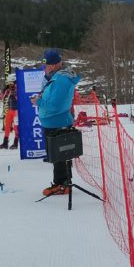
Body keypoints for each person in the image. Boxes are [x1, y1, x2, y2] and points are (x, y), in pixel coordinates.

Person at [32, 50, 80, 197]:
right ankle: (64, 183)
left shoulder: (60, 80)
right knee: (60, 156)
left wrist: (38, 102)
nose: (44, 69)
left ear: (52, 65)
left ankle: (61, 184)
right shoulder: (57, 78)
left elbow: (54, 105)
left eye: (45, 66)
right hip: (54, 122)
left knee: (59, 156)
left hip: (56, 122)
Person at [0, 73, 19, 150]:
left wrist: (14, 92)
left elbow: (19, 98)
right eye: (9, 83)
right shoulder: (8, 89)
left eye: (11, 83)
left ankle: (16, 143)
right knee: (7, 126)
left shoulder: (18, 88)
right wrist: (4, 91)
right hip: (10, 110)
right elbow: (2, 98)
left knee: (16, 127)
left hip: (16, 111)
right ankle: (5, 142)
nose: (10, 84)